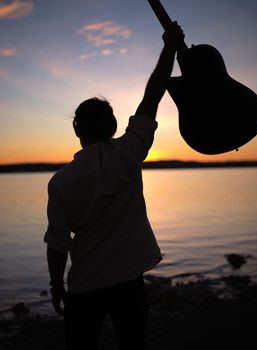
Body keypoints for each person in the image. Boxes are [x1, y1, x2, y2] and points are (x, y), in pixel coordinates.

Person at [44, 21, 185, 350]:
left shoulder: (60, 182)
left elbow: (58, 244)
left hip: (84, 285)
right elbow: (153, 95)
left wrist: (55, 285)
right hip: (128, 280)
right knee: (134, 344)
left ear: (78, 131)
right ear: (112, 126)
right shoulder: (128, 152)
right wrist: (170, 47)